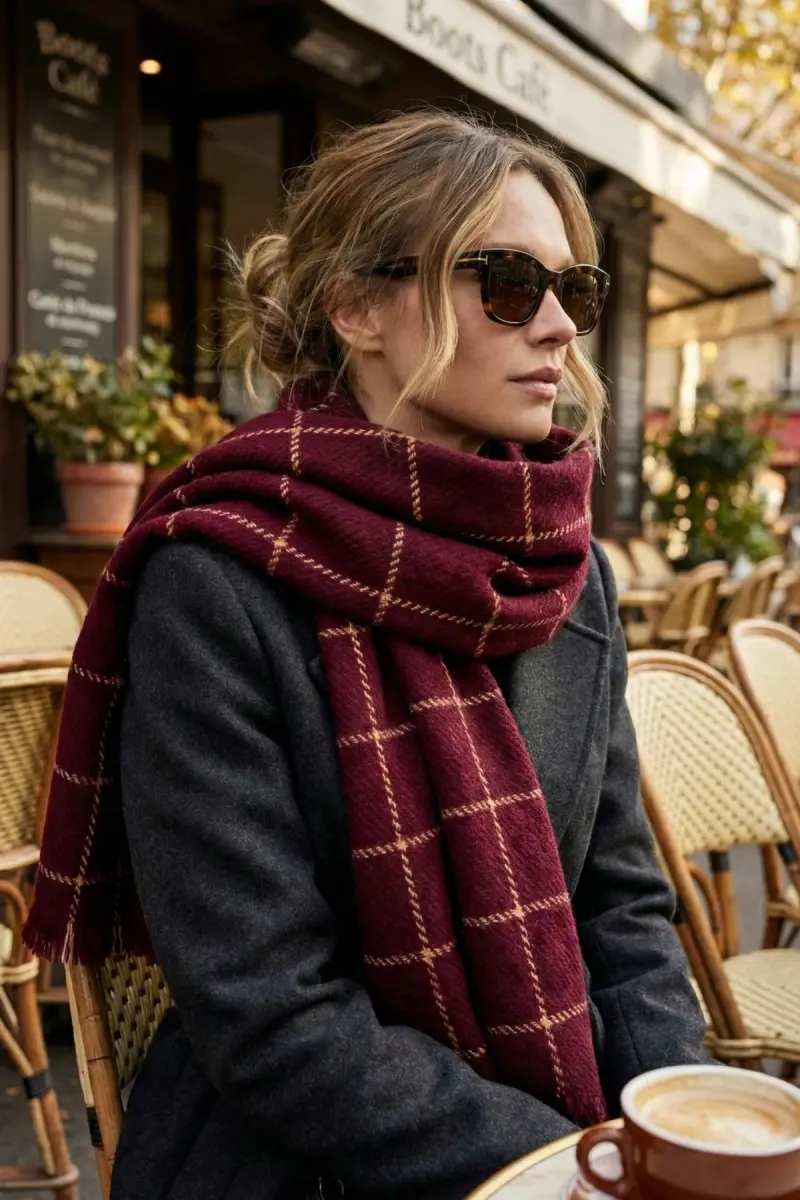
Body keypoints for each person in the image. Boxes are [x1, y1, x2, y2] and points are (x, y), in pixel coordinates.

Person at [25, 110, 707, 1200]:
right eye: (505, 284)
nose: (556, 330)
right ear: (356, 307)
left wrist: (671, 1127)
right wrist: (558, 1168)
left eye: (572, 291)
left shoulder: (563, 567)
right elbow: (269, 1011)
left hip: (572, 1124)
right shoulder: (219, 579)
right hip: (296, 1158)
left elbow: (619, 909)